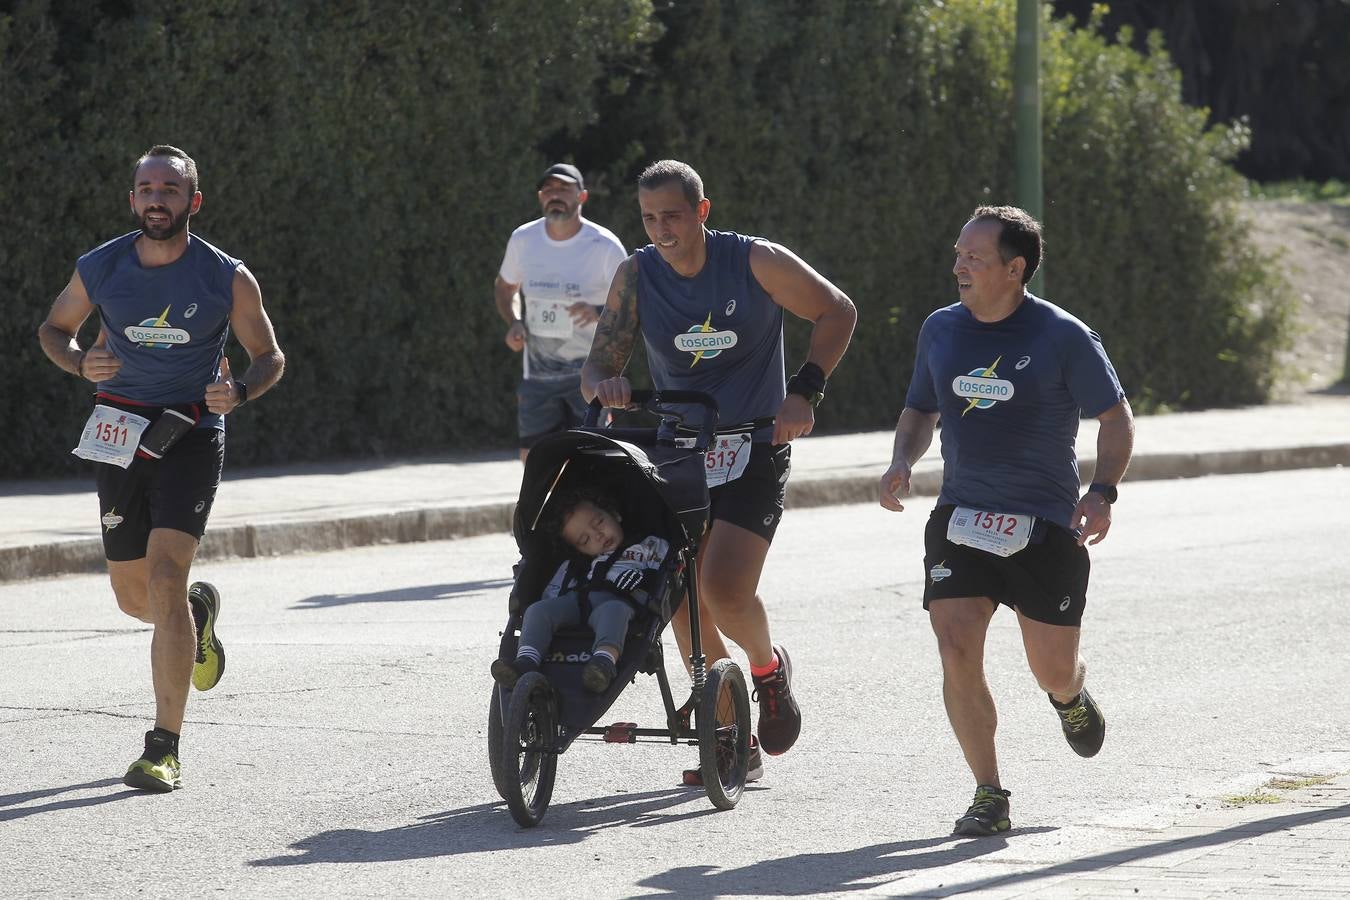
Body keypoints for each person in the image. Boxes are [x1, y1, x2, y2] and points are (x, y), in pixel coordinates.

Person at [582, 159, 857, 784]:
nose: (661, 230)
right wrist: (610, 385)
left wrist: (803, 392)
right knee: (678, 592)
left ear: (702, 211)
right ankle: (730, 733)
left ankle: (766, 669)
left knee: (723, 590)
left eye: (673, 216)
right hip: (678, 447)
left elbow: (837, 311)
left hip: (754, 444)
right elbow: (597, 366)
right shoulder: (637, 273)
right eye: (650, 218)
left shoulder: (755, 261)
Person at [878, 205, 1134, 836]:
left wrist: (1102, 491)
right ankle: (988, 792)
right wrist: (900, 461)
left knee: (1050, 668)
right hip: (962, 517)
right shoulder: (940, 329)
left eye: (975, 257)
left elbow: (1116, 418)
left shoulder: (1062, 335)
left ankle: (1069, 695)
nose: (959, 266)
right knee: (955, 645)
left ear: (1015, 269)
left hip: (1045, 526)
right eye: (959, 253)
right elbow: (919, 409)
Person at [37, 145, 285, 793]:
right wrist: (76, 361)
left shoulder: (226, 276)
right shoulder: (100, 265)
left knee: (168, 577)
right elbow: (55, 330)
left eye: (170, 189)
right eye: (146, 188)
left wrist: (244, 392)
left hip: (191, 431)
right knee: (133, 598)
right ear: (132, 199)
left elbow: (268, 356)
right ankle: (195, 622)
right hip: (119, 430)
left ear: (192, 201)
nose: (157, 198)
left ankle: (163, 746)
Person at [495, 163, 627, 461]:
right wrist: (514, 322)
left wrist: (597, 311)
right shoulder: (523, 239)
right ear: (541, 197)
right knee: (533, 460)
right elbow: (505, 287)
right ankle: (544, 508)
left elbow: (632, 302)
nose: (555, 195)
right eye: (548, 190)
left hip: (591, 373)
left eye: (564, 189)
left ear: (582, 197)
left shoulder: (603, 245)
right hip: (539, 377)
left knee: (594, 457)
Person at [491, 487, 669, 694]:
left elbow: (665, 568)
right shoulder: (577, 564)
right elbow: (555, 589)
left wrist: (645, 578)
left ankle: (602, 663)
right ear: (580, 549)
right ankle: (525, 662)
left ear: (614, 514)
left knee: (614, 611)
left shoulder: (648, 545)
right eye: (585, 540)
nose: (598, 535)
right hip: (578, 602)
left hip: (619, 601)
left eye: (599, 522)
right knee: (537, 611)